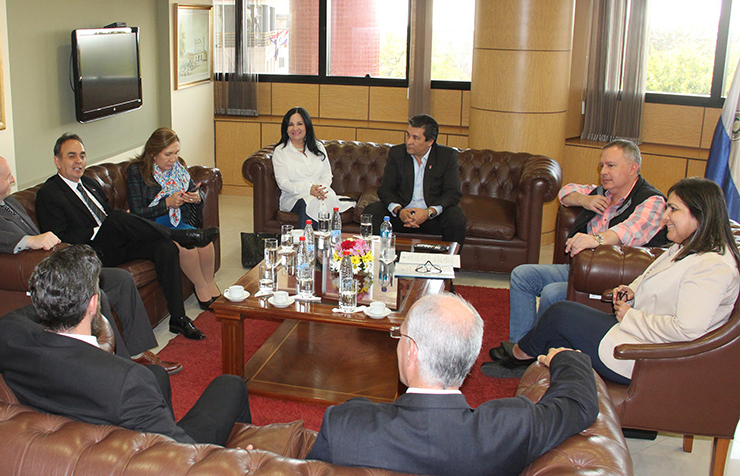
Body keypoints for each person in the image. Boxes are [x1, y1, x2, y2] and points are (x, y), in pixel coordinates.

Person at [0, 245, 251, 445]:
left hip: (75, 422)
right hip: (145, 454)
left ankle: (160, 421)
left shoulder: (4, 337)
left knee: (155, 375)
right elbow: (182, 453)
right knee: (231, 384)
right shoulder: (126, 380)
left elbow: (12, 321)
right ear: (94, 305)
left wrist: (50, 301)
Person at [306, 293, 599, 476]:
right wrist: (567, 359)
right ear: (469, 358)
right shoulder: (514, 425)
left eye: (401, 337)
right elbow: (579, 405)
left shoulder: (347, 424)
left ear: (411, 351)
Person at [485, 177, 740, 382]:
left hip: (646, 355)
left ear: (700, 216)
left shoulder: (712, 268)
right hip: (638, 334)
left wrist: (629, 315)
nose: (664, 217)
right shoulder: (689, 246)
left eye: (673, 209)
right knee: (560, 327)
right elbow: (652, 273)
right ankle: (527, 359)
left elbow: (688, 330)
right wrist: (631, 289)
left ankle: (520, 354)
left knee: (561, 313)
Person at [0, 153, 181, 374]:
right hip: (44, 282)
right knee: (96, 294)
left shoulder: (8, 202)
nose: (12, 180)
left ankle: (138, 354)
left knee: (121, 279)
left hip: (60, 267)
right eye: (8, 177)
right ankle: (122, 367)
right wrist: (29, 240)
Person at [495, 139, 669, 360]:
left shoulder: (651, 201)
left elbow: (629, 232)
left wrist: (594, 239)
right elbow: (565, 192)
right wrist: (584, 200)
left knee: (552, 293)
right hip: (581, 268)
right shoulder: (602, 193)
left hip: (614, 278)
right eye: (602, 166)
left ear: (633, 168)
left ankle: (532, 351)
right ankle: (521, 344)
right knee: (522, 275)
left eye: (611, 166)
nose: (604, 172)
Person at [35, 133, 215, 340]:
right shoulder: (49, 193)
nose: (79, 161)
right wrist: (99, 229)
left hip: (115, 242)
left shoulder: (90, 183)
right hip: (89, 251)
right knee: (117, 219)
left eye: (82, 156)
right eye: (72, 156)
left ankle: (178, 318)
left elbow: (108, 214)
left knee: (166, 246)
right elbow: (59, 236)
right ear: (57, 161)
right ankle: (182, 235)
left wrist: (117, 224)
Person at [127, 128, 221, 310]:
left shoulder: (179, 168)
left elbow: (195, 191)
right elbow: (136, 213)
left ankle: (210, 284)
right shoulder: (137, 172)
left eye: (176, 153)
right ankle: (200, 287)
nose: (173, 159)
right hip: (153, 226)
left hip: (177, 222)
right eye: (168, 154)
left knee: (205, 243)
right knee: (188, 249)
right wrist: (167, 203)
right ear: (153, 154)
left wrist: (196, 197)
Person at [362, 114, 466, 246]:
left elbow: (452, 193)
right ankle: (373, 261)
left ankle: (450, 264)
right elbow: (386, 190)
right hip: (402, 214)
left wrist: (428, 212)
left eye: (415, 138)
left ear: (430, 141)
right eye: (408, 135)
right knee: (372, 211)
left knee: (456, 218)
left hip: (431, 215)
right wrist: (399, 211)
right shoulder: (397, 153)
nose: (409, 141)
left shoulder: (446, 156)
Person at [272, 106, 353, 229]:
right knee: (310, 203)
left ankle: (327, 243)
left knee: (326, 200)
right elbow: (283, 183)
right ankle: (305, 244)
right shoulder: (281, 151)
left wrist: (321, 190)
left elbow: (327, 175)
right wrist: (308, 190)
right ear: (285, 128)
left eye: (300, 124)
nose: (295, 128)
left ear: (307, 126)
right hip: (294, 196)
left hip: (322, 193)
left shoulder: (318, 147)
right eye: (290, 125)